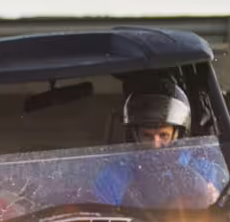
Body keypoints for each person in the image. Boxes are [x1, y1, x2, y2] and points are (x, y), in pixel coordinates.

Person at [94, 85, 223, 209]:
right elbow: (98, 217)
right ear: (135, 135)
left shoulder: (204, 171)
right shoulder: (114, 176)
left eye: (163, 135)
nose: (156, 144)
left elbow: (228, 214)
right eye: (148, 136)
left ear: (177, 134)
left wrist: (216, 201)